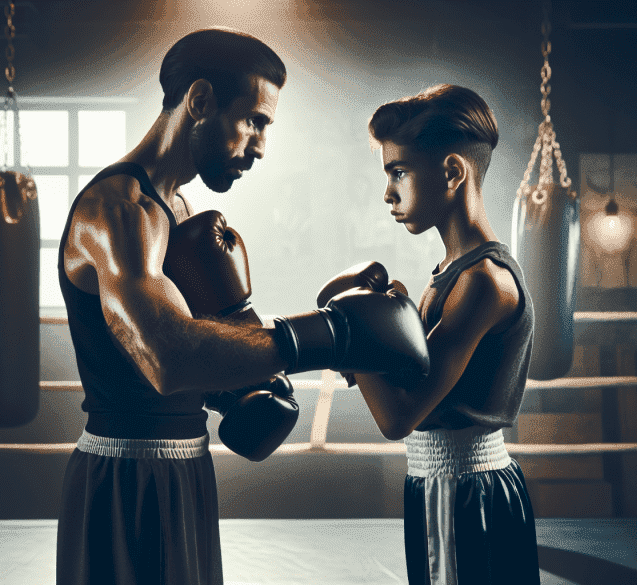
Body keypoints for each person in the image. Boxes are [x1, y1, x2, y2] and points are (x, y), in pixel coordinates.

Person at [55, 28, 431, 585]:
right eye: (254, 121)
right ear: (200, 100)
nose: (259, 145)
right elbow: (168, 358)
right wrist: (332, 336)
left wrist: (247, 384)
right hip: (124, 479)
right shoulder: (120, 211)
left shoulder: (178, 210)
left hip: (186, 469)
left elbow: (199, 355)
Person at [324, 84, 540, 584]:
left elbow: (399, 415)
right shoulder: (451, 270)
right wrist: (380, 325)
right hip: (443, 484)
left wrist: (354, 333)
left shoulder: (482, 283)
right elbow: (408, 373)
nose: (387, 192)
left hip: (463, 488)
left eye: (399, 171)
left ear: (451, 172)